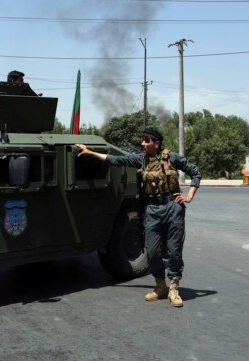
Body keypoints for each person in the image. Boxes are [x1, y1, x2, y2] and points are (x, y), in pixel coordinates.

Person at [76, 127, 201, 307]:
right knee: (151, 251)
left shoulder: (172, 158)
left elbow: (195, 172)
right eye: (142, 140)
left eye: (146, 140)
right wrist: (89, 152)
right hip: (151, 209)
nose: (142, 143)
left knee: (174, 250)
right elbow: (115, 160)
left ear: (156, 143)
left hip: (173, 208)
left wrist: (189, 196)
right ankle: (160, 286)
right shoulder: (140, 160)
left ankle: (174, 288)